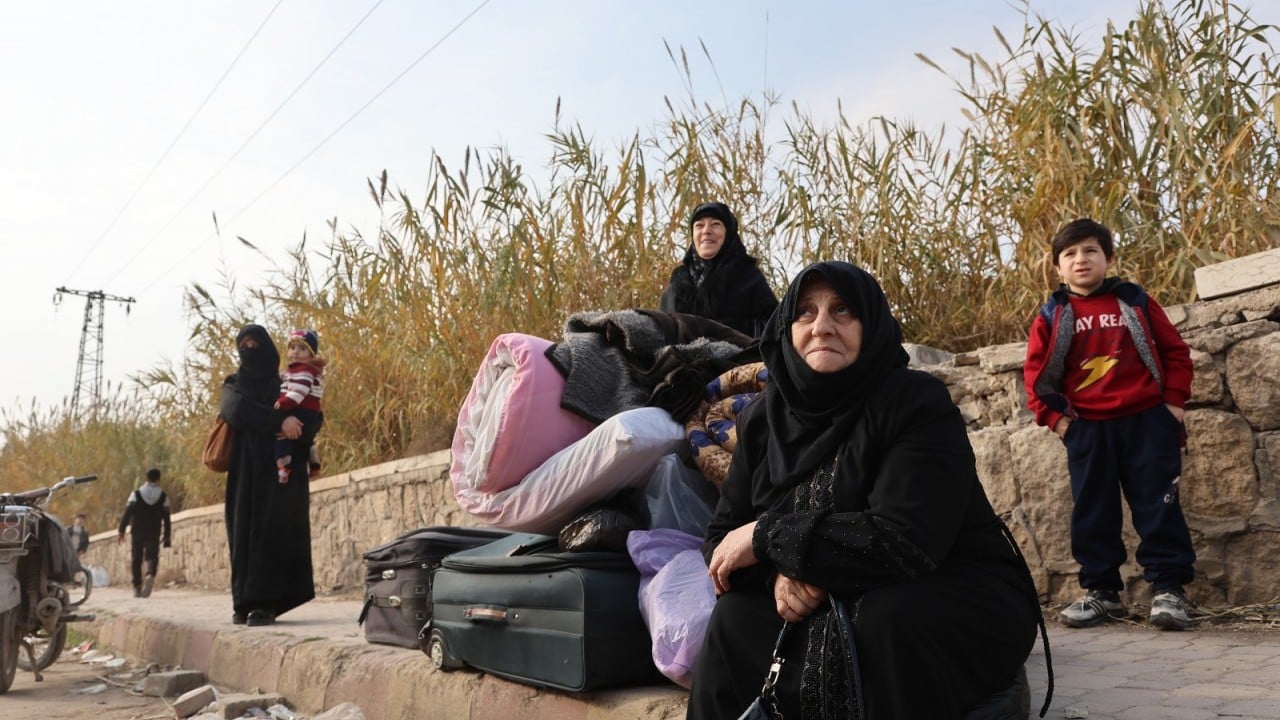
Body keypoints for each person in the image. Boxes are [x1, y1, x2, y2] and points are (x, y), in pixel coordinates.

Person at [688, 261, 1047, 719]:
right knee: (733, 621)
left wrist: (769, 539)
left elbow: (908, 538)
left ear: (870, 324)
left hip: (941, 583)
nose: (822, 327)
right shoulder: (762, 420)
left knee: (885, 620)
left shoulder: (915, 402)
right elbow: (721, 542)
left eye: (842, 311)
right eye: (805, 313)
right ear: (785, 329)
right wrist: (778, 574)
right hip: (819, 593)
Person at [1024, 218, 1196, 631]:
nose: (1080, 259)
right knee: (1093, 510)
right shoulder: (1053, 313)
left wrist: (1172, 405)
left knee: (1159, 506)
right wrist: (1058, 421)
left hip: (1146, 423)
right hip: (1088, 427)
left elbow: (1175, 352)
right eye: (1070, 254)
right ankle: (1101, 592)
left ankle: (1169, 590)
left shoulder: (1134, 301)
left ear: (1109, 258)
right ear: (1058, 268)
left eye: (1090, 251)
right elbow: (1035, 375)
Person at [220, 324, 316, 626]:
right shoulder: (233, 384)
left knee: (272, 535)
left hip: (280, 475)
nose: (250, 349)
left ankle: (266, 604)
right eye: (244, 344)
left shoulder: (287, 383)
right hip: (245, 473)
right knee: (242, 533)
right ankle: (242, 603)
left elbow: (311, 419)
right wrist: (280, 421)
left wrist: (292, 422)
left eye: (255, 344)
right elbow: (237, 411)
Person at [659, 201, 779, 337]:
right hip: (679, 357)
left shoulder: (749, 277)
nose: (706, 231)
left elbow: (774, 327)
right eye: (699, 225)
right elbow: (662, 331)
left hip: (737, 356)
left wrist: (720, 329)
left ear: (729, 233)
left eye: (715, 224)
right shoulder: (677, 284)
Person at [273, 328, 326, 483]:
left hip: (303, 408)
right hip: (309, 411)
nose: (295, 352)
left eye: (302, 349)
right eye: (292, 347)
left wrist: (285, 403)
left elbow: (299, 390)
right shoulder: (298, 370)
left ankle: (283, 467)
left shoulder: (305, 371)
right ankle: (313, 459)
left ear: (310, 354)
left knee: (282, 436)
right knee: (305, 439)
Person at [116, 468, 172, 598]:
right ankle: (150, 574)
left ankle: (137, 587)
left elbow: (128, 512)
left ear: (146, 478)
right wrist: (167, 535)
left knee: (136, 558)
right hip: (154, 530)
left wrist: (121, 530)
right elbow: (167, 518)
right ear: (158, 479)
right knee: (152, 556)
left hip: (137, 530)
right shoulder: (163, 496)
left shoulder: (136, 494)